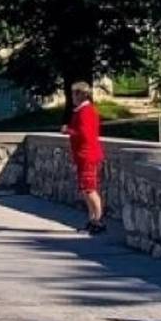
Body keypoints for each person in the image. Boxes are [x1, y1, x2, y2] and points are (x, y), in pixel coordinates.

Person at [61, 82, 106, 235]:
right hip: (84, 155)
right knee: (86, 189)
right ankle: (92, 219)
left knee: (90, 188)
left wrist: (69, 131)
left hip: (87, 155)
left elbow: (85, 134)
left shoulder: (86, 112)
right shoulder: (82, 111)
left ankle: (98, 221)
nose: (72, 97)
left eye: (74, 94)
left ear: (80, 94)